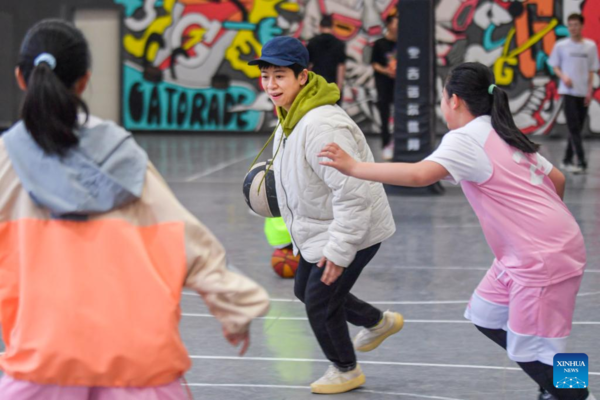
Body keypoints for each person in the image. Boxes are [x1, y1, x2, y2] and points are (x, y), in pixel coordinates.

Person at [0, 19, 269, 399]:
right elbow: (184, 236)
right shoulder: (124, 159)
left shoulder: (4, 164)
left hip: (42, 363)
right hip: (139, 364)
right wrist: (234, 307)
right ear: (84, 80)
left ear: (21, 78)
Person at [319, 62, 595, 400]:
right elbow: (558, 180)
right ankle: (553, 379)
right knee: (485, 313)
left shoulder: (467, 138)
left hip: (539, 256)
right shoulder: (499, 130)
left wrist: (355, 167)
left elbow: (420, 175)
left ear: (454, 100)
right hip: (537, 250)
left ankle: (575, 392)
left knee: (532, 349)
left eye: (442, 98)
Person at [248, 36, 402, 394]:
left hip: (352, 229)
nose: (271, 85)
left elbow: (353, 194)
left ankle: (346, 369)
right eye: (266, 76)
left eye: (280, 76)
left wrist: (339, 250)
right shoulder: (292, 114)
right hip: (321, 226)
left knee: (319, 301)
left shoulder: (321, 125)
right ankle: (377, 322)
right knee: (305, 289)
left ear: (303, 76)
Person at [548, 13, 599, 174]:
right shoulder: (561, 46)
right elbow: (554, 65)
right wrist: (564, 77)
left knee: (576, 128)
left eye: (576, 25)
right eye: (570, 25)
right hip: (567, 92)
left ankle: (566, 159)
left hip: (583, 93)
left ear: (582, 26)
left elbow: (591, 70)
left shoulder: (590, 46)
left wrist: (589, 91)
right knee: (574, 127)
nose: (573, 28)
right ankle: (582, 161)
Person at [371, 13, 398, 161]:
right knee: (384, 115)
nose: (397, 27)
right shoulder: (380, 44)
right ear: (388, 25)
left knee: (400, 115)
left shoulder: (404, 43)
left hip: (399, 86)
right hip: (383, 84)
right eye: (394, 23)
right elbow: (374, 63)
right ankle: (386, 144)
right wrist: (386, 71)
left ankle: (398, 144)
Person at [306, 14, 347, 103]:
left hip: (316, 83)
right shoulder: (339, 44)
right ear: (332, 27)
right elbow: (341, 66)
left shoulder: (312, 42)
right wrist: (339, 85)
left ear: (320, 27)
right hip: (333, 82)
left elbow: (308, 65)